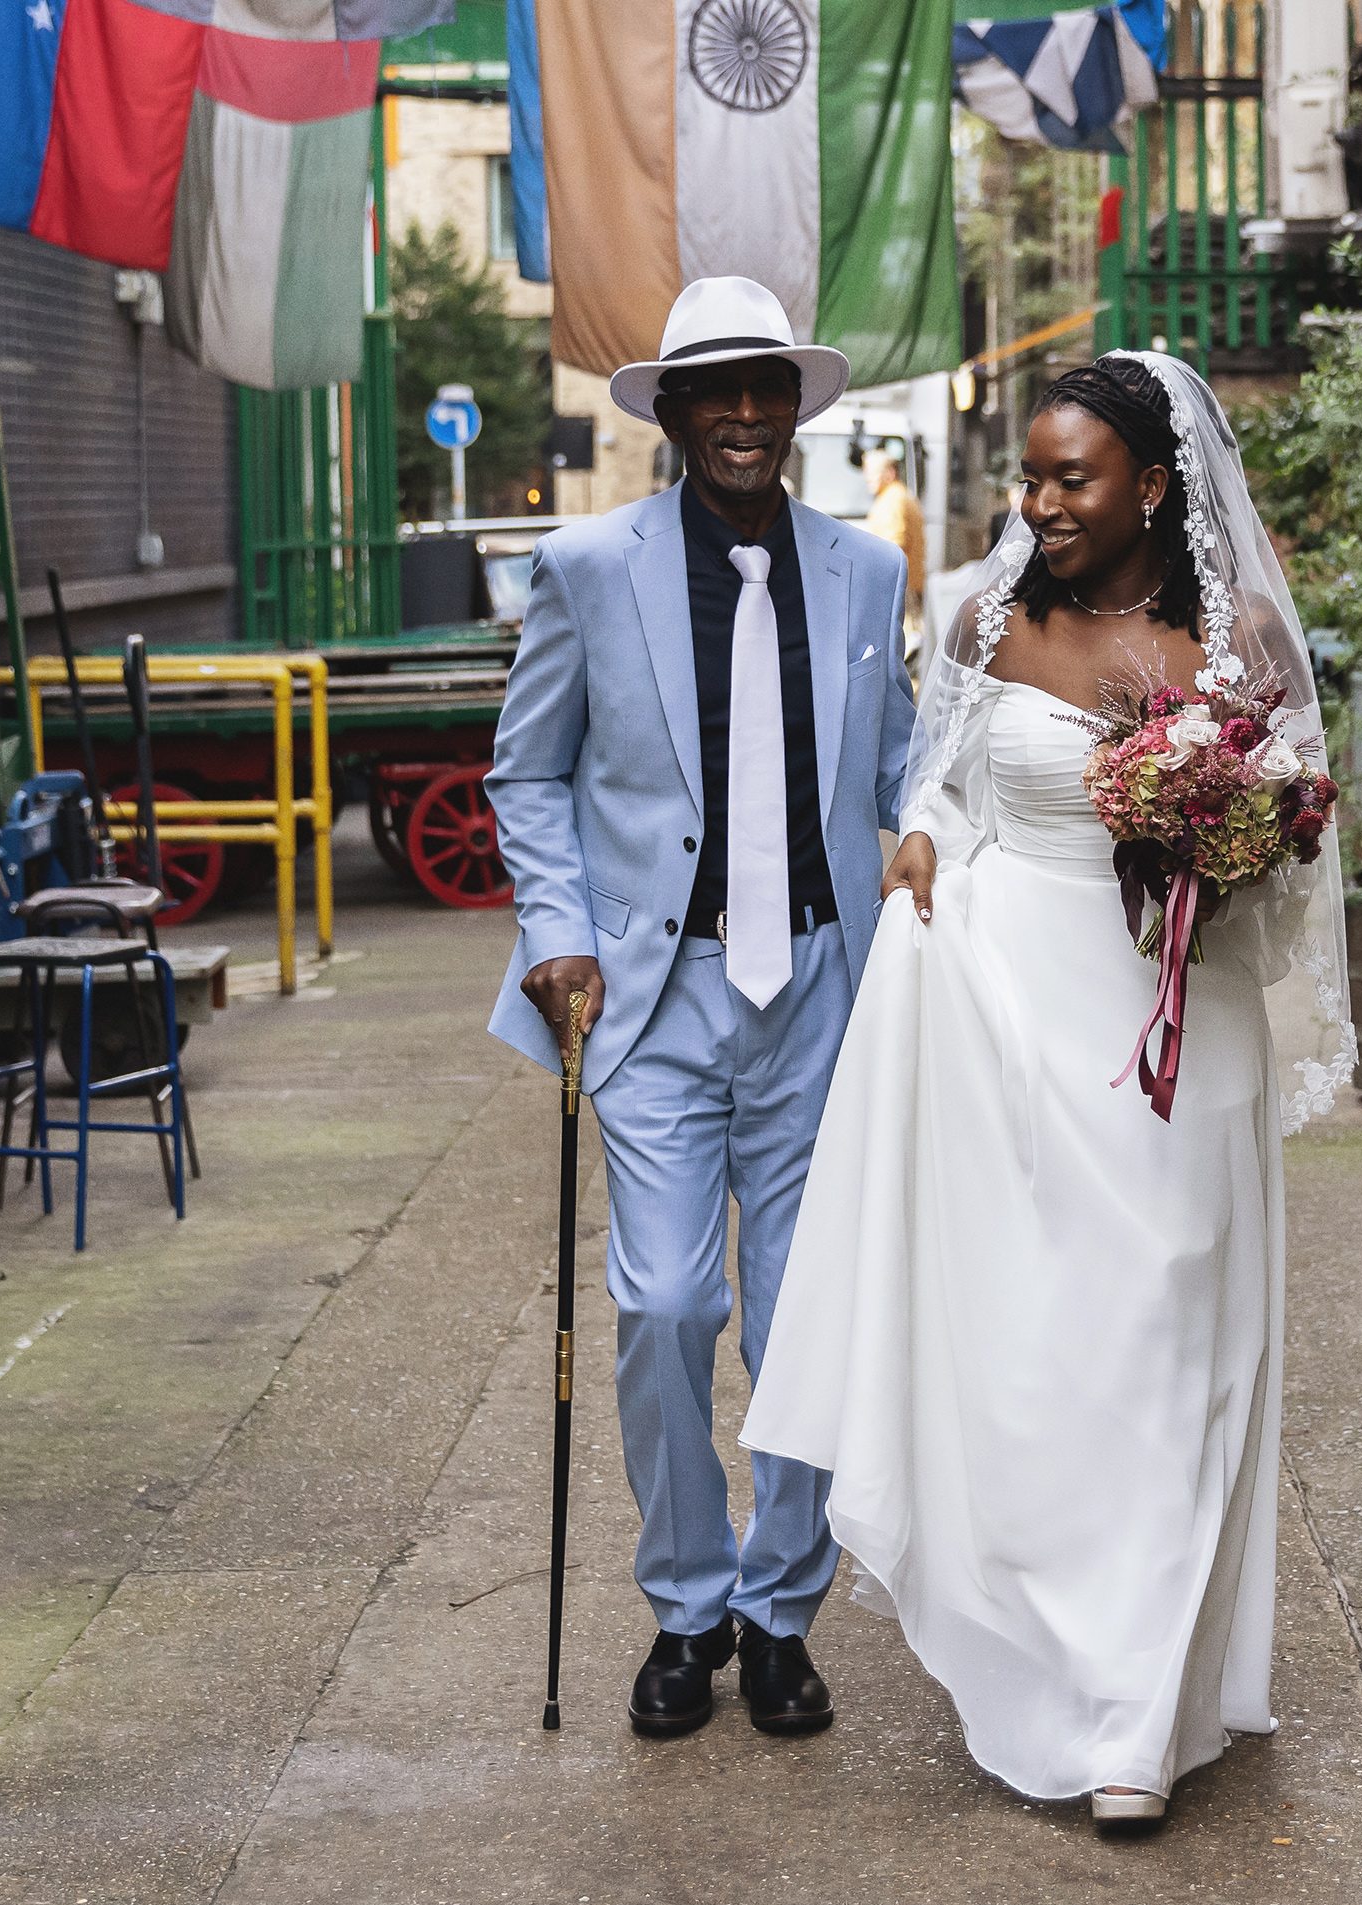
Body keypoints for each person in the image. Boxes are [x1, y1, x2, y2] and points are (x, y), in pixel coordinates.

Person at [740, 353, 1354, 1830]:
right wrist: (920, 841)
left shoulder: (1239, 640)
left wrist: (1225, 834)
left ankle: (1139, 1711)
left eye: (1071, 477)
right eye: (1031, 475)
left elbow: (1291, 872)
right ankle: (1049, 1657)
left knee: (1166, 1347)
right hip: (1000, 1018)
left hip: (1170, 1032)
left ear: (1152, 485)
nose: (1040, 502)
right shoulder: (984, 617)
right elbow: (940, 787)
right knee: (1032, 1363)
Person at [486, 275, 915, 1740]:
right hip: (654, 996)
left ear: (798, 404)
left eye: (767, 387)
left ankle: (780, 1607)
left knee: (805, 1319)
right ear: (668, 412)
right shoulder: (587, 567)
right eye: (713, 390)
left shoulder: (866, 576)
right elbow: (527, 771)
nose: (743, 414)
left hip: (817, 990)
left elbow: (894, 774)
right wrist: (554, 929)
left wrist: (929, 869)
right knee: (667, 1301)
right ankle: (686, 1599)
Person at [860, 446, 927, 644]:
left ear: (889, 473)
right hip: (904, 585)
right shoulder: (897, 496)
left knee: (902, 648)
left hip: (896, 588)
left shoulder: (893, 499)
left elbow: (894, 544)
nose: (868, 479)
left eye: (873, 473)